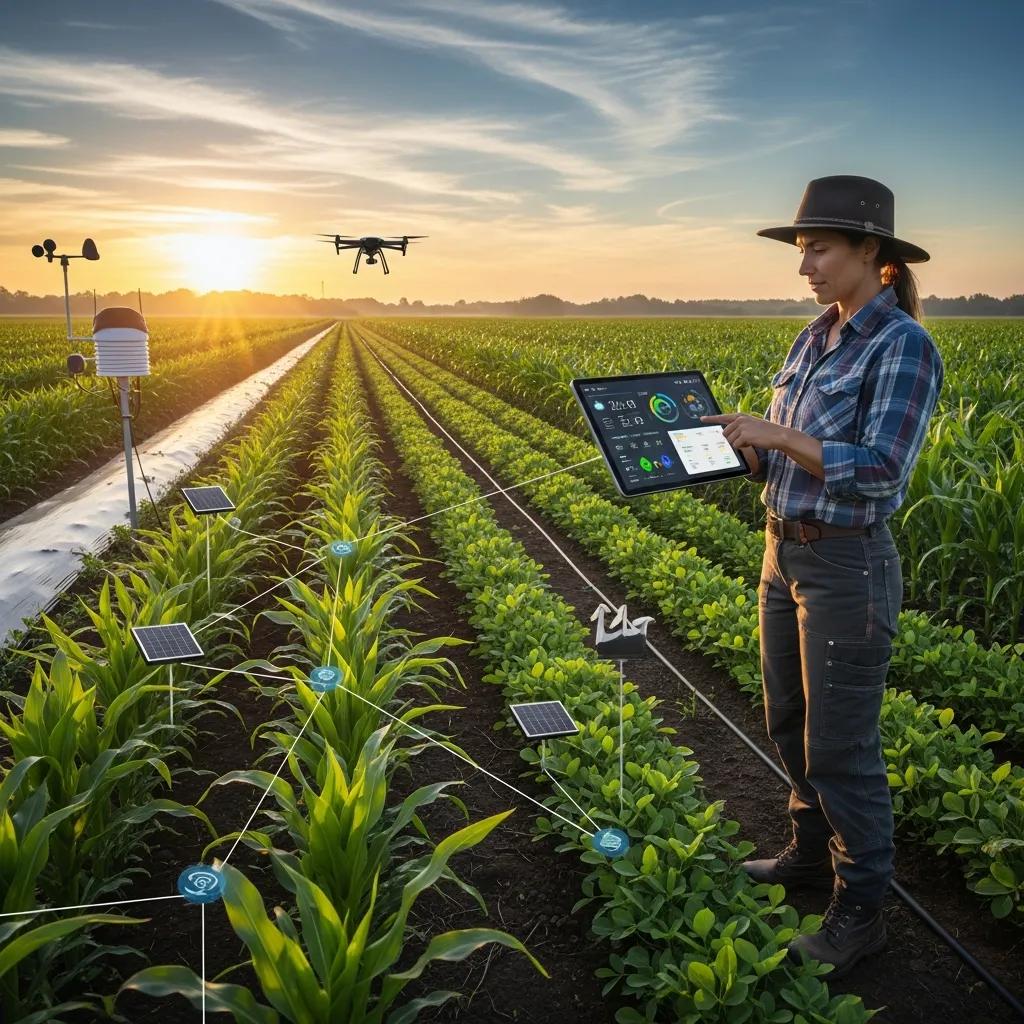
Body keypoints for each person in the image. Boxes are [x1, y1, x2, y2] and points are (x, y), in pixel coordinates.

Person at [700, 175, 944, 979]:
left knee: (842, 746)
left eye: (819, 250)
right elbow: (790, 460)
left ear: (871, 253)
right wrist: (749, 452)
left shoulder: (902, 345)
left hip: (847, 563)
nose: (804, 265)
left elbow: (880, 471)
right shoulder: (814, 337)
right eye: (802, 250)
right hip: (783, 552)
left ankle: (860, 911)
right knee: (789, 720)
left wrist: (778, 434)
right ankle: (808, 854)